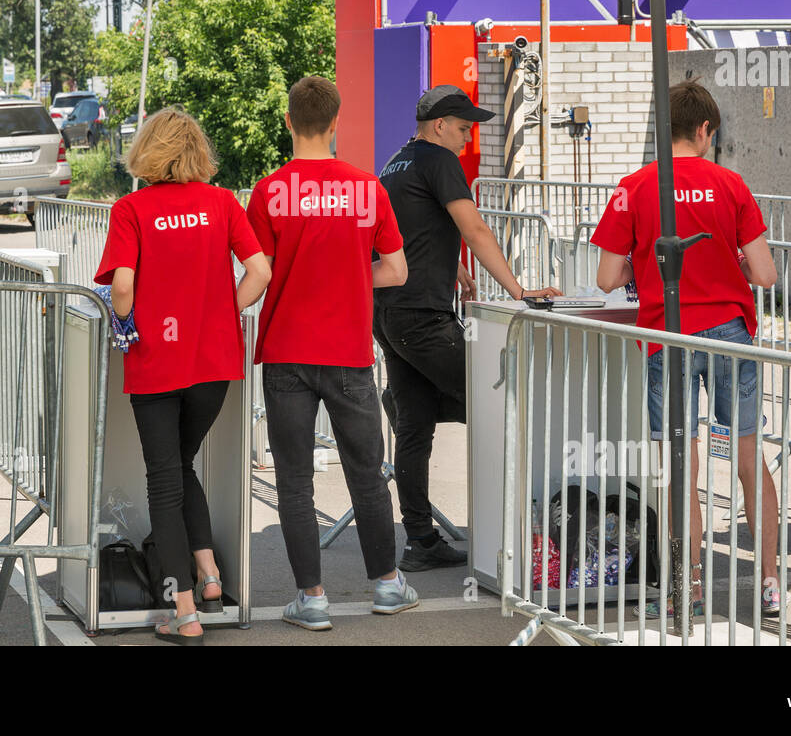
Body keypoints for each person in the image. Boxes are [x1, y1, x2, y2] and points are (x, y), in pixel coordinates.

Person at [592, 80, 782, 618]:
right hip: (729, 332)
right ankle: (768, 582)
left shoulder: (634, 186)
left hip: (667, 334)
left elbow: (607, 277)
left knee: (680, 471)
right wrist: (736, 266)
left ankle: (687, 586)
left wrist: (642, 266)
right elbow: (766, 273)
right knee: (748, 459)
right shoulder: (731, 183)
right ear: (704, 130)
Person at [246, 75, 416, 631]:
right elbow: (396, 269)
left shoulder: (269, 192)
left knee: (294, 482)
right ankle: (387, 586)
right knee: (366, 474)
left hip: (287, 354)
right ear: (336, 122)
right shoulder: (369, 189)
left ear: (289, 122)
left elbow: (259, 273)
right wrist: (349, 274)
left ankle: (312, 599)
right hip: (348, 353)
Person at [94, 108, 270, 645]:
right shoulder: (221, 203)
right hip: (214, 364)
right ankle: (210, 575)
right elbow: (260, 271)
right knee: (180, 464)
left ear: (147, 151)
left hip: (155, 364)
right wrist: (222, 315)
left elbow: (121, 288)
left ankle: (185, 610)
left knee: (163, 483)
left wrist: (124, 322)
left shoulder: (131, 209)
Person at [374, 84, 559, 571]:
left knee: (414, 429)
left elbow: (408, 231)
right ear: (439, 126)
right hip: (422, 316)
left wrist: (450, 264)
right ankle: (522, 534)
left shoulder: (395, 163)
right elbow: (474, 227)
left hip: (390, 313)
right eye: (462, 128)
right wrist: (519, 290)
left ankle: (419, 541)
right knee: (497, 399)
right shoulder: (440, 162)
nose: (467, 138)